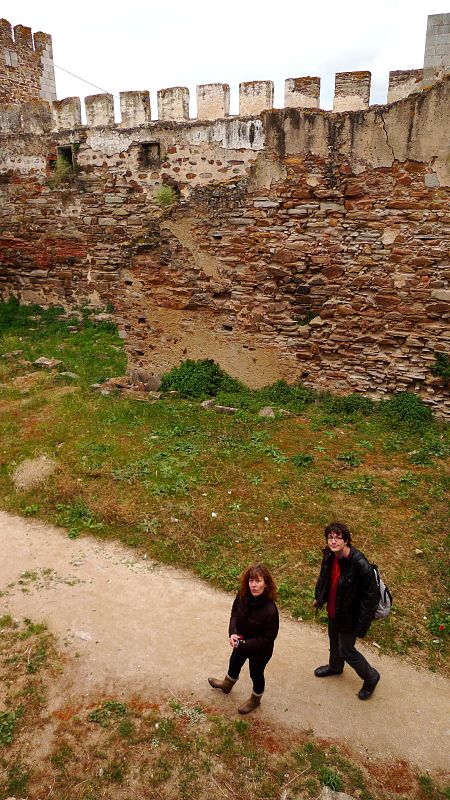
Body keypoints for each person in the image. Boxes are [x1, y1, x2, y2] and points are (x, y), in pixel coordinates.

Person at [313, 522, 381, 700]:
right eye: (330, 537)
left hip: (350, 616)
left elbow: (371, 598)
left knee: (347, 650)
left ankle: (371, 677)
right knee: (333, 640)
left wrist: (362, 625)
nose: (333, 541)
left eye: (338, 538)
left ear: (347, 540)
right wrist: (319, 597)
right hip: (334, 609)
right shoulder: (329, 555)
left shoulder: (359, 564)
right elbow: (324, 577)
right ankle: (335, 667)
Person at [208, 563, 279, 714]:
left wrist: (244, 644)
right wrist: (232, 632)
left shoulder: (270, 610)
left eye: (258, 581)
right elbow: (234, 613)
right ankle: (227, 685)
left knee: (256, 674)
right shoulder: (242, 596)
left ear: (266, 584)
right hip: (241, 642)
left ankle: (255, 700)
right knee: (234, 663)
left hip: (260, 651)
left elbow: (268, 638)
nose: (253, 585)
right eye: (251, 581)